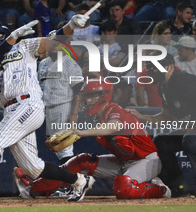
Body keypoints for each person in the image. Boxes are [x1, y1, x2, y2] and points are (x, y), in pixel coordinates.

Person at [0, 15, 95, 204]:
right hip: (11, 110)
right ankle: (79, 181)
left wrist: (71, 25)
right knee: (33, 168)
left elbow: (56, 38)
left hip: (28, 104)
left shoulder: (25, 46)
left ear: (5, 34)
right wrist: (9, 39)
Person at [14, 79, 171, 200]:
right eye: (86, 97)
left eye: (91, 96)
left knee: (123, 188)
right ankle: (32, 188)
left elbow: (112, 127)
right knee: (79, 161)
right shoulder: (98, 117)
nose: (87, 100)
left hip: (146, 161)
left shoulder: (115, 110)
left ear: (103, 96)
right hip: (122, 162)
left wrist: (81, 133)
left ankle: (159, 188)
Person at [128, 53, 196, 197]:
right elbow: (166, 116)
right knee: (162, 141)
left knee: (190, 140)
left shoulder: (186, 81)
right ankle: (177, 186)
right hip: (191, 131)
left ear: (170, 67)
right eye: (150, 67)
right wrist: (141, 117)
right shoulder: (164, 88)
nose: (152, 71)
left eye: (156, 67)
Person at [38, 36, 82, 163]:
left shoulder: (71, 64)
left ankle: (74, 179)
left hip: (64, 107)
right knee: (56, 147)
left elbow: (78, 91)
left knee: (65, 147)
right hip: (47, 108)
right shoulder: (43, 63)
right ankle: (72, 178)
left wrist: (73, 114)